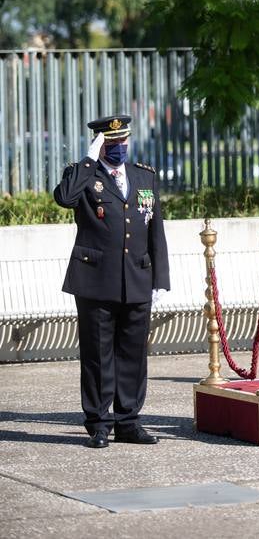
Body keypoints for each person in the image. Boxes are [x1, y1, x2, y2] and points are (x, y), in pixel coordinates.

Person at [54, 114, 170, 448]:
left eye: (122, 141)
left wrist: (159, 278)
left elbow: (155, 230)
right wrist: (90, 160)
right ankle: (99, 423)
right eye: (111, 142)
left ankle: (128, 421)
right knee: (98, 354)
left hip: (137, 276)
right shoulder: (83, 175)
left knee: (133, 354)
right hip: (95, 278)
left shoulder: (143, 175)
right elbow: (65, 198)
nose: (118, 147)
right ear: (99, 143)